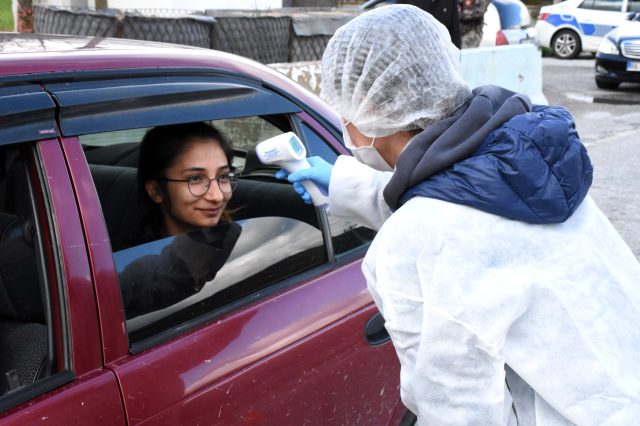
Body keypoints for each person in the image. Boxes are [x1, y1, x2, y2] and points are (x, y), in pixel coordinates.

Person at [279, 5, 640, 425]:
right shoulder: (528, 160)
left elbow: (460, 410)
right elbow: (466, 204)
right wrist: (343, 183)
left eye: (344, 107)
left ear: (369, 111)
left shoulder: (415, 244)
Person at [119, 122, 241, 319]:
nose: (217, 196)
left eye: (224, 176)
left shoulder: (239, 239)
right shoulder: (137, 270)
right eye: (195, 179)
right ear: (156, 191)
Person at [398, 0, 462, 48]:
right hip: (413, 55)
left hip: (441, 57)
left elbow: (455, 32)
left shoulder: (450, 2)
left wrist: (455, 59)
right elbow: (397, 26)